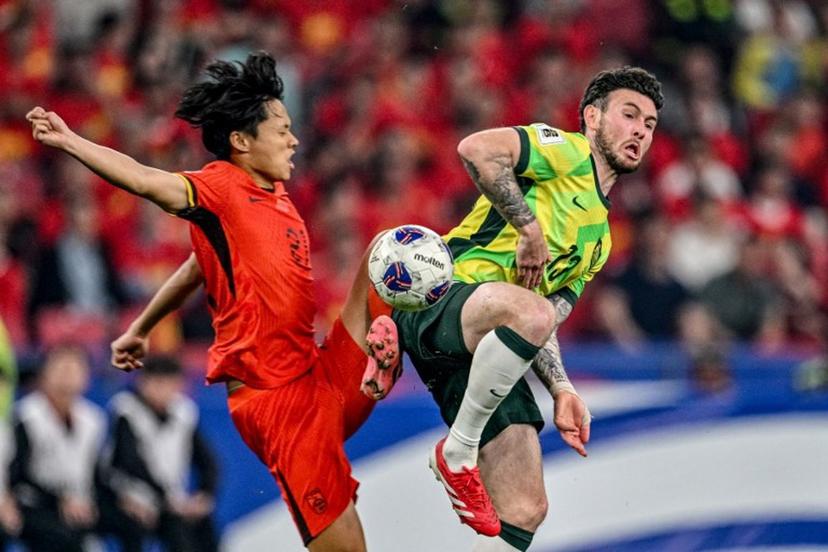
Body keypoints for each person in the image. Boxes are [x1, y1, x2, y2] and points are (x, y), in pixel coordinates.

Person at [27, 51, 401, 551]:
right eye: (282, 129)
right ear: (242, 142)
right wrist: (70, 140)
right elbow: (144, 179)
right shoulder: (222, 187)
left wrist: (140, 326)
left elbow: (197, 266)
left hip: (317, 374)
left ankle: (445, 387)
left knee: (393, 252)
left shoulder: (277, 199)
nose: (294, 139)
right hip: (278, 401)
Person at [391, 66, 663, 549]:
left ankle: (461, 448)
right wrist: (528, 229)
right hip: (441, 301)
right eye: (629, 114)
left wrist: (561, 387)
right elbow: (475, 149)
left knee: (525, 508)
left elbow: (544, 324)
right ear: (593, 117)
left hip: (484, 354)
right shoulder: (566, 150)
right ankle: (458, 451)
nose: (640, 129)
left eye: (650, 123)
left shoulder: (600, 241)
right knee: (530, 311)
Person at [102, 355, 219, 552]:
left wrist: (205, 493)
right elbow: (129, 461)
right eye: (157, 382)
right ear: (143, 382)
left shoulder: (184, 412)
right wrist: (165, 497)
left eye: (169, 383)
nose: (162, 390)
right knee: (153, 529)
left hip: (170, 500)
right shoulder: (125, 410)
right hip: (127, 496)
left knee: (202, 527)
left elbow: (207, 460)